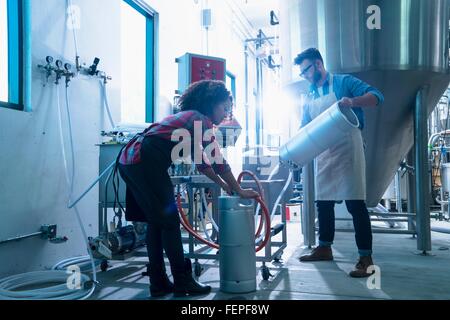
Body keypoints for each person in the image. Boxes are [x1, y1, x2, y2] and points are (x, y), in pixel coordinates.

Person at [117, 80, 259, 297]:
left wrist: (224, 185)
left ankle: (159, 283)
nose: (226, 114)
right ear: (211, 104)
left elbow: (203, 163)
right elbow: (217, 159)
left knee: (157, 223)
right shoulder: (198, 119)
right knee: (170, 221)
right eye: (224, 108)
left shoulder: (190, 121)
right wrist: (239, 189)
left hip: (130, 161)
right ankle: (183, 282)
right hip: (144, 159)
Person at [295, 48, 384, 278]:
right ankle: (324, 248)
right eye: (302, 73)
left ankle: (366, 258)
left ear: (317, 64)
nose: (304, 75)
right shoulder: (311, 94)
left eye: (305, 70)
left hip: (348, 147)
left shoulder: (344, 82)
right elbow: (305, 126)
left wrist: (352, 101)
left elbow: (377, 96)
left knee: (355, 203)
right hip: (324, 151)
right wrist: (296, 148)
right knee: (323, 201)